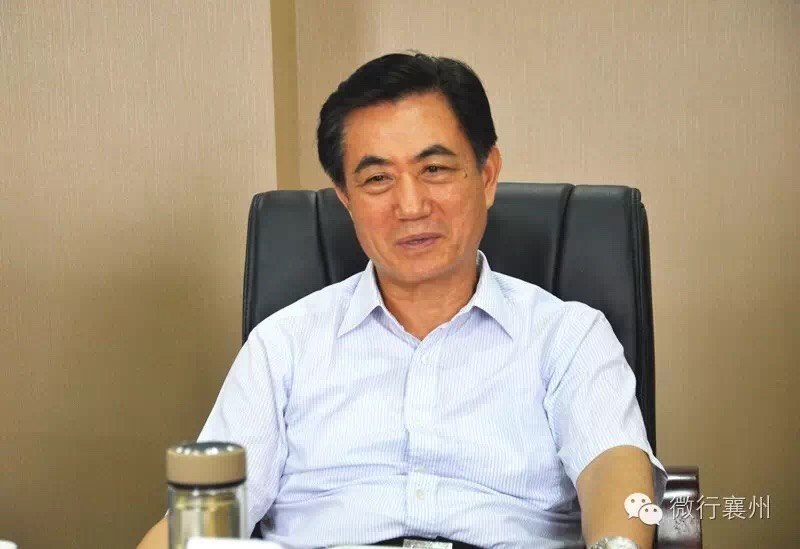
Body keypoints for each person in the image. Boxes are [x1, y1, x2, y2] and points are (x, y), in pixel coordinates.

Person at [139, 52, 666, 549]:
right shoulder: (282, 346)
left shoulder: (569, 336)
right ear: (345, 197)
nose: (410, 206)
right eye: (377, 179)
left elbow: (613, 467)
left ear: (486, 175)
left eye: (434, 169)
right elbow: (200, 519)